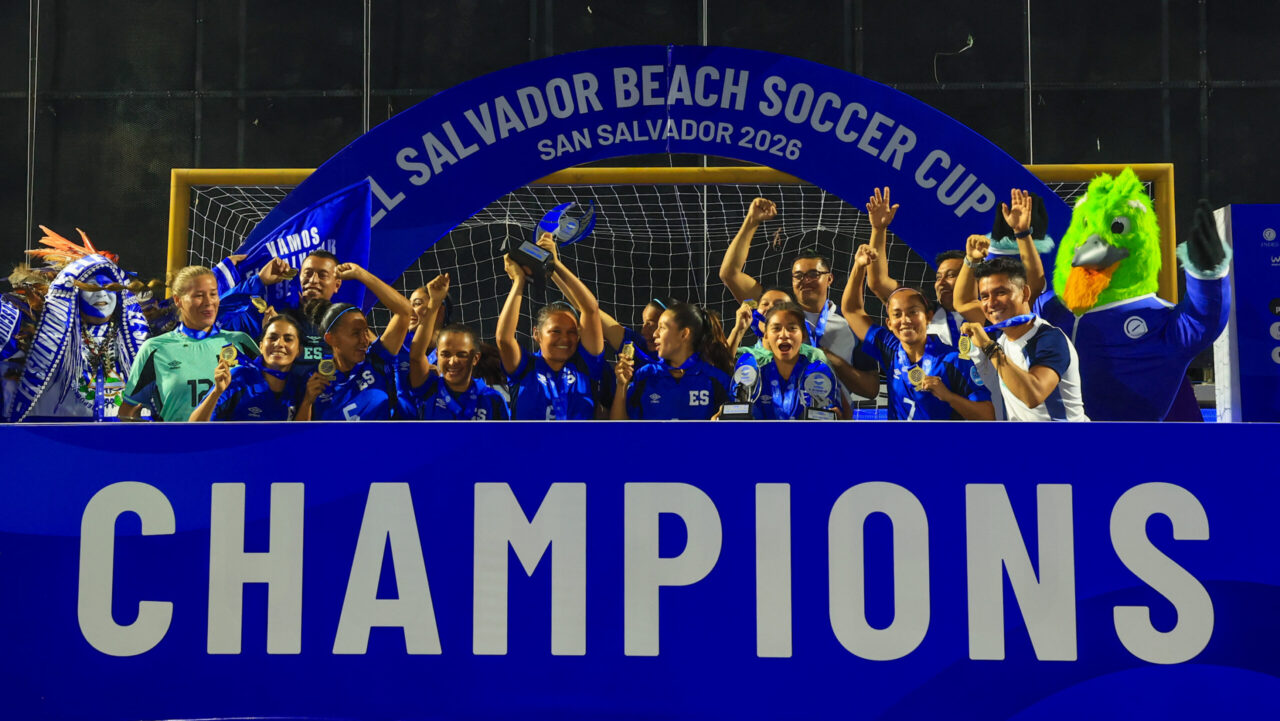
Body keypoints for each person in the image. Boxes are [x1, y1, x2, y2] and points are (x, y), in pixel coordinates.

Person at [718, 197, 880, 401]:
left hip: (829, 420)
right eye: (798, 276)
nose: (805, 281)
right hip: (777, 416)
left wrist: (826, 357)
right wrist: (752, 221)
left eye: (814, 274)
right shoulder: (777, 310)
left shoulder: (850, 322)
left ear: (829, 278)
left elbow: (871, 389)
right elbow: (729, 274)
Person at [864, 187, 1045, 348]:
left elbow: (1034, 284)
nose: (941, 282)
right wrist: (878, 230)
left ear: (972, 278)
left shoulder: (992, 312)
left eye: (951, 275)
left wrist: (1022, 234)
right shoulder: (920, 312)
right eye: (938, 277)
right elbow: (878, 282)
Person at [842, 245, 993, 420]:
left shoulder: (953, 361)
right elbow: (852, 310)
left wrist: (949, 397)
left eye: (913, 312)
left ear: (928, 316)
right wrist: (859, 266)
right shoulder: (889, 348)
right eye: (897, 315)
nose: (905, 320)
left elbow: (988, 415)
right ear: (889, 324)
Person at [119, 266, 259, 422]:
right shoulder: (155, 349)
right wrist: (154, 437)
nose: (209, 302)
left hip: (235, 444)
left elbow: (274, 391)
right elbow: (126, 412)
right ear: (178, 300)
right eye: (199, 295)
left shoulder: (240, 342)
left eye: (213, 294)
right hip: (179, 445)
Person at [960, 257, 1088, 421]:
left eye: (1001, 292)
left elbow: (1033, 395)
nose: (991, 303)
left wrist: (988, 346)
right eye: (984, 296)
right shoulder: (1003, 342)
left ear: (1025, 293)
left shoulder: (1050, 339)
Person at [497, 233, 605, 420]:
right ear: (536, 334)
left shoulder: (586, 365)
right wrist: (518, 282)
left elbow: (591, 309)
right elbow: (504, 339)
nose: (565, 338)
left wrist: (555, 266)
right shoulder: (525, 367)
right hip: (531, 449)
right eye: (555, 331)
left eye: (572, 332)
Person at [295, 262, 414, 421]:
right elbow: (300, 438)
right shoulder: (315, 379)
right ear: (331, 338)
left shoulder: (377, 359)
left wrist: (360, 274)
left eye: (365, 331)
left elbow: (405, 311)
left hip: (382, 445)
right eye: (356, 333)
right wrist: (307, 402)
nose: (365, 340)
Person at [407, 274, 510, 420]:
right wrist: (435, 302)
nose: (453, 361)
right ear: (437, 355)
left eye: (461, 355)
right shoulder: (428, 388)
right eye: (445, 354)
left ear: (475, 358)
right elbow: (416, 357)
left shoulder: (492, 399)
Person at [610, 302, 733, 420]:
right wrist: (621, 385)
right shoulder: (645, 375)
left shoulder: (716, 380)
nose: (655, 334)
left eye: (662, 328)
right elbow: (618, 430)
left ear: (684, 334)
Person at [729, 302, 845, 420]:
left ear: (803, 335)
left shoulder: (820, 375)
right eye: (776, 328)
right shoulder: (753, 377)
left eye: (792, 328)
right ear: (766, 336)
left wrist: (837, 419)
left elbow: (838, 417)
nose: (784, 335)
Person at [188, 314, 305, 421]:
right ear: (261, 346)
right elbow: (193, 426)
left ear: (299, 350)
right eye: (272, 338)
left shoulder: (300, 386)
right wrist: (217, 392)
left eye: (288, 339)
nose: (279, 344)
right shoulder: (237, 378)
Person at [724, 288, 792, 351]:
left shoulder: (801, 351)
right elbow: (720, 362)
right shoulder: (744, 355)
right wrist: (739, 330)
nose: (769, 308)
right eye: (765, 304)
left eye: (779, 305)